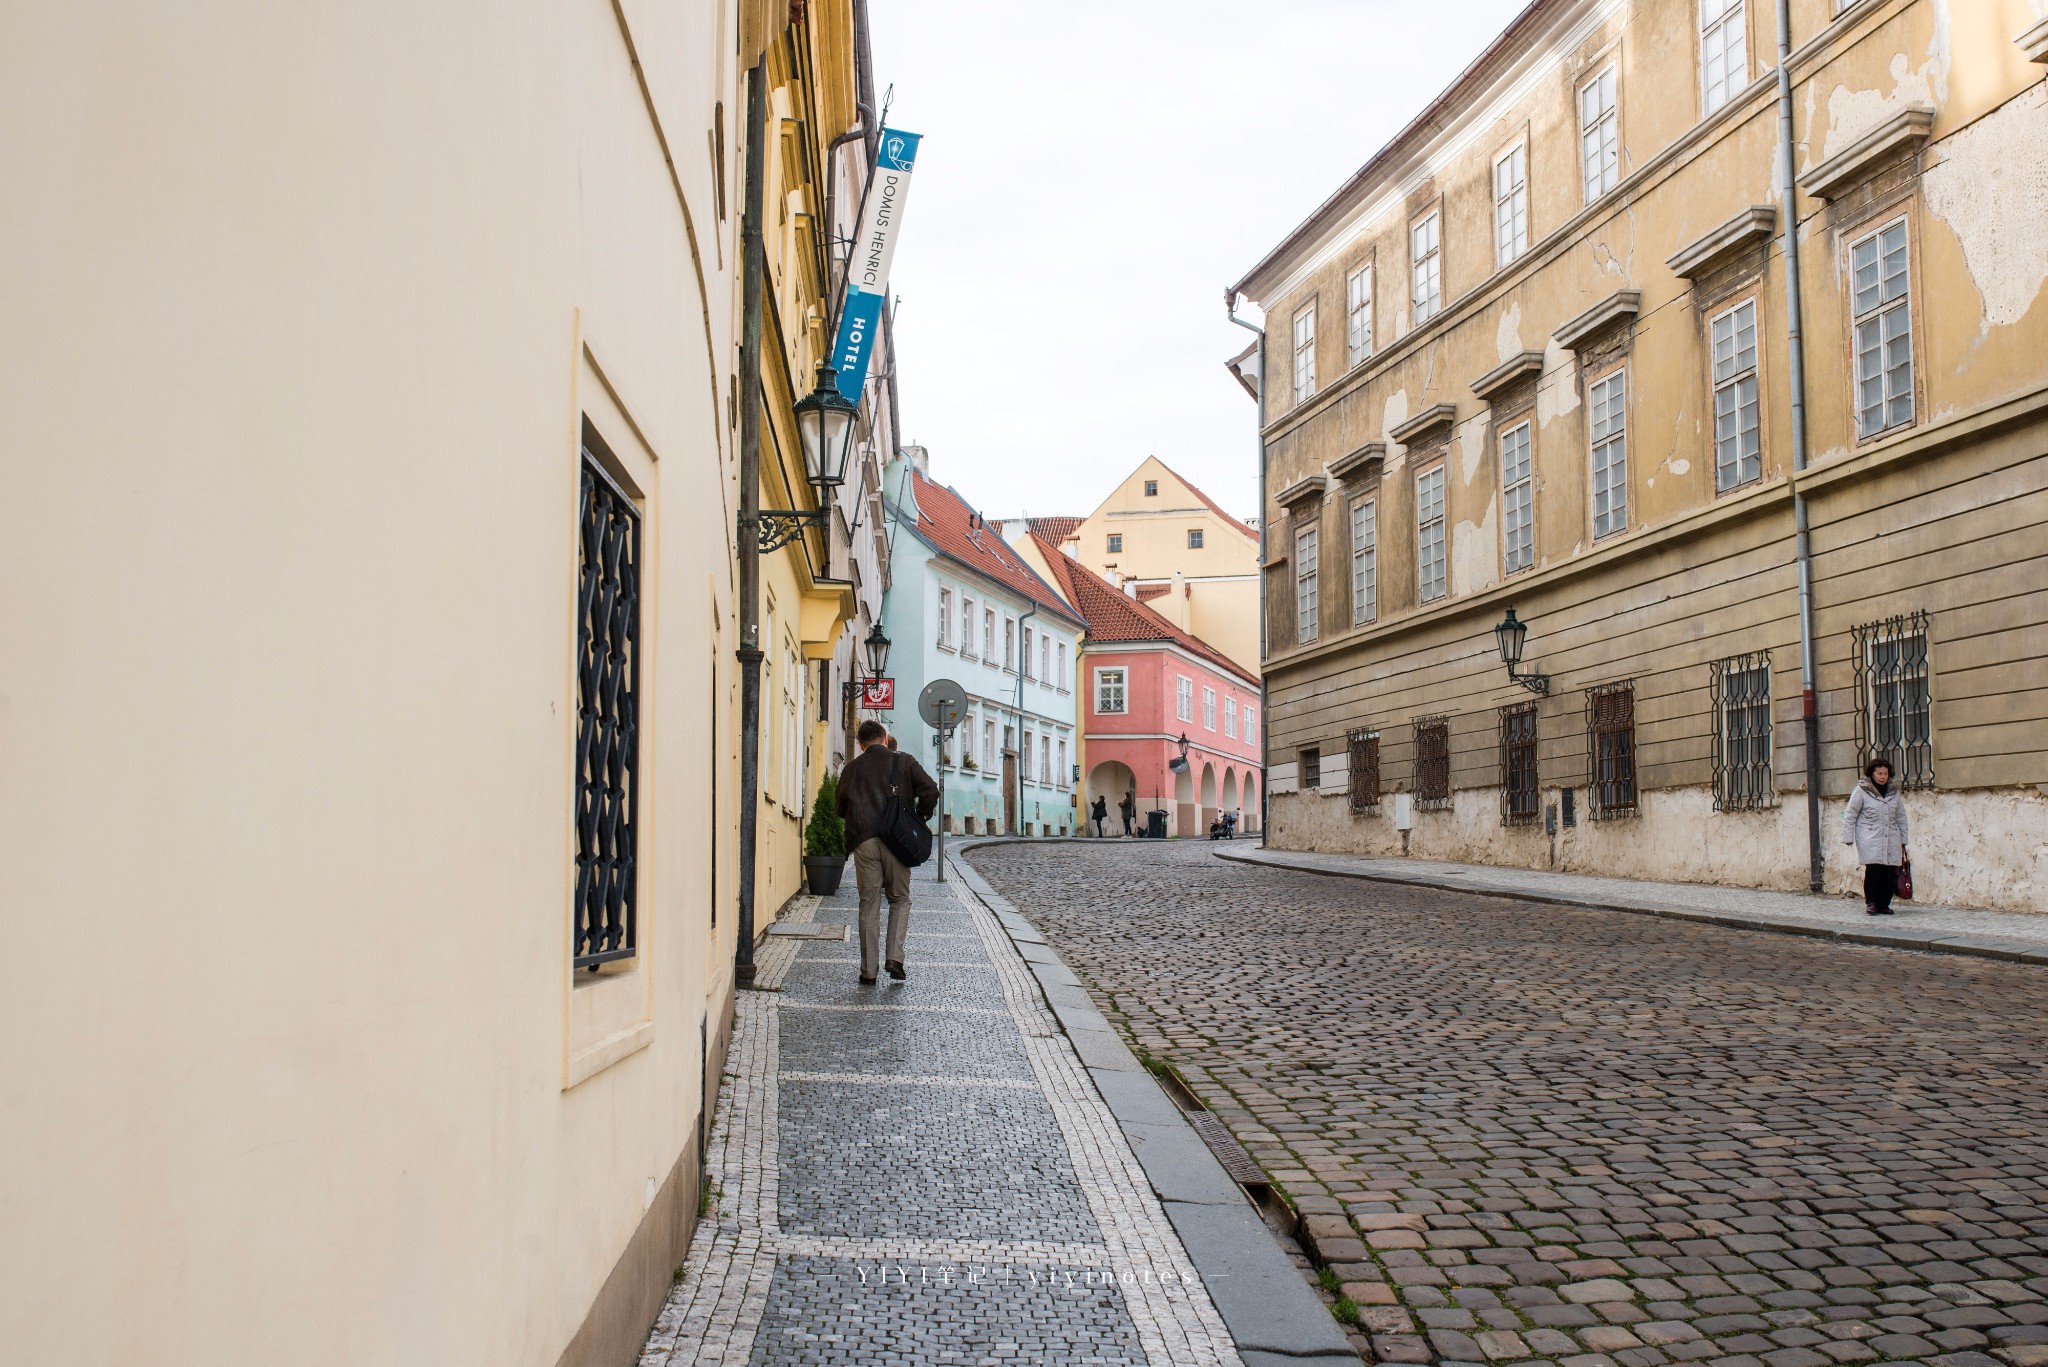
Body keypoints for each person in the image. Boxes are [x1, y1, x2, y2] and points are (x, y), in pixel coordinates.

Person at [835, 719, 938, 981]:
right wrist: (920, 816)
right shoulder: (904, 761)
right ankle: (894, 958)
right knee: (899, 898)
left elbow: (839, 808)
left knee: (868, 904)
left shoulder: (852, 768)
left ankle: (868, 971)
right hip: (898, 839)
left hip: (864, 841)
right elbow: (930, 790)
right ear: (885, 738)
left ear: (860, 744)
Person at [1842, 756, 1909, 916]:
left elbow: (1901, 816)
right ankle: (1871, 902)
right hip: (1869, 836)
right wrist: (1848, 837)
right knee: (1874, 870)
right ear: (1872, 774)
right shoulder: (1862, 791)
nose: (1883, 776)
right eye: (1879, 773)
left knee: (1889, 872)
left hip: (1891, 836)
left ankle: (1884, 904)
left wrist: (1904, 839)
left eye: (1885, 773)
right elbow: (1851, 814)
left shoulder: (1893, 792)